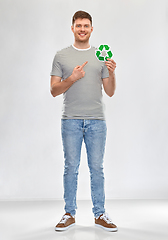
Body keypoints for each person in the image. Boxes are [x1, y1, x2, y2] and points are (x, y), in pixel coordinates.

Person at [50, 10, 117, 232]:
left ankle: (100, 214)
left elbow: (110, 92)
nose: (82, 29)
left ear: (91, 28)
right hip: (70, 120)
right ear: (72, 28)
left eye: (86, 26)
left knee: (96, 168)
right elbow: (53, 90)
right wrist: (72, 78)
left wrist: (112, 73)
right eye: (78, 25)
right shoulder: (61, 56)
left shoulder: (101, 55)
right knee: (71, 167)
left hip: (97, 120)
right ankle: (69, 213)